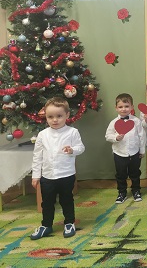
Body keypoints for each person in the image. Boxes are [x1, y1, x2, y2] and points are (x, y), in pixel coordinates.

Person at [30, 97, 85, 240]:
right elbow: (37, 156)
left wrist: (72, 150)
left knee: (67, 200)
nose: (55, 120)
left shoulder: (72, 132)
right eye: (50, 117)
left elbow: (81, 148)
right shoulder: (42, 135)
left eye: (59, 116)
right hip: (47, 176)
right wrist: (36, 175)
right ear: (46, 117)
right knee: (47, 202)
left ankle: (69, 222)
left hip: (66, 174)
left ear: (67, 115)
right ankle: (46, 225)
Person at [105, 93, 146, 204]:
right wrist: (116, 138)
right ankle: (122, 192)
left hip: (134, 153)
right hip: (119, 153)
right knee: (121, 174)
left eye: (126, 106)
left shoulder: (136, 121)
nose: (123, 109)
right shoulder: (113, 123)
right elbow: (107, 136)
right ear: (116, 108)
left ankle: (136, 190)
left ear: (132, 107)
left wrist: (142, 150)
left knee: (135, 173)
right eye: (120, 107)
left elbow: (142, 136)